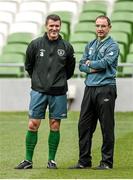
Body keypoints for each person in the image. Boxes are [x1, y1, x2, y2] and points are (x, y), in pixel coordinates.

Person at [15, 14, 75, 169]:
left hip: (59, 92)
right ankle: (28, 160)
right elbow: (29, 66)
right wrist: (38, 80)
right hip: (38, 91)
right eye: (51, 25)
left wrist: (58, 82)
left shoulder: (67, 47)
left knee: (55, 125)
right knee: (33, 124)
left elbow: (69, 70)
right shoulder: (35, 44)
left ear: (60, 27)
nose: (54, 28)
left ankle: (51, 160)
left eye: (57, 26)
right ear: (46, 26)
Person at [69, 15, 119, 170]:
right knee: (83, 126)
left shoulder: (113, 46)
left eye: (103, 26)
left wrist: (92, 65)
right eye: (97, 26)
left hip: (106, 88)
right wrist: (92, 66)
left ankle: (106, 162)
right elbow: (82, 65)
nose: (100, 29)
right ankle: (84, 161)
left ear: (109, 27)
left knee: (106, 126)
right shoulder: (90, 44)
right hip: (89, 88)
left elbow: (104, 64)